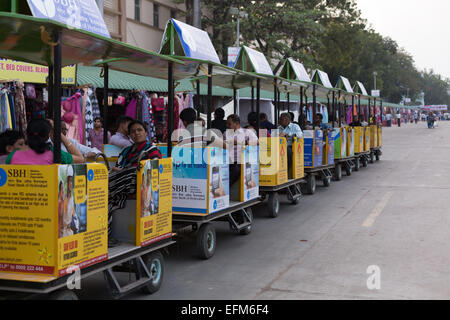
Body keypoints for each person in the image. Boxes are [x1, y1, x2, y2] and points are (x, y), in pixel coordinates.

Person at [108, 120, 162, 247]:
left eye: (139, 130)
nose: (136, 133)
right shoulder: (126, 150)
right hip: (121, 184)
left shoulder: (152, 150)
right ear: (130, 135)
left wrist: (124, 171)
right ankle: (107, 234)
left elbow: (153, 171)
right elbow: (118, 166)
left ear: (145, 132)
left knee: (133, 172)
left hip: (139, 184)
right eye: (133, 132)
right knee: (108, 196)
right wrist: (120, 170)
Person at [6, 119, 84, 165]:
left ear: (26, 134)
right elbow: (80, 158)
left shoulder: (13, 155)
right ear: (47, 136)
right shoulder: (55, 154)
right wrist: (58, 132)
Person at [224, 114, 258, 190]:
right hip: (227, 160)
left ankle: (225, 189)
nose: (227, 126)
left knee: (236, 170)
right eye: (227, 124)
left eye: (229, 124)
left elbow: (257, 142)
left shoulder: (247, 132)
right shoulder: (226, 134)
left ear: (236, 124)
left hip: (241, 161)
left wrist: (241, 142)